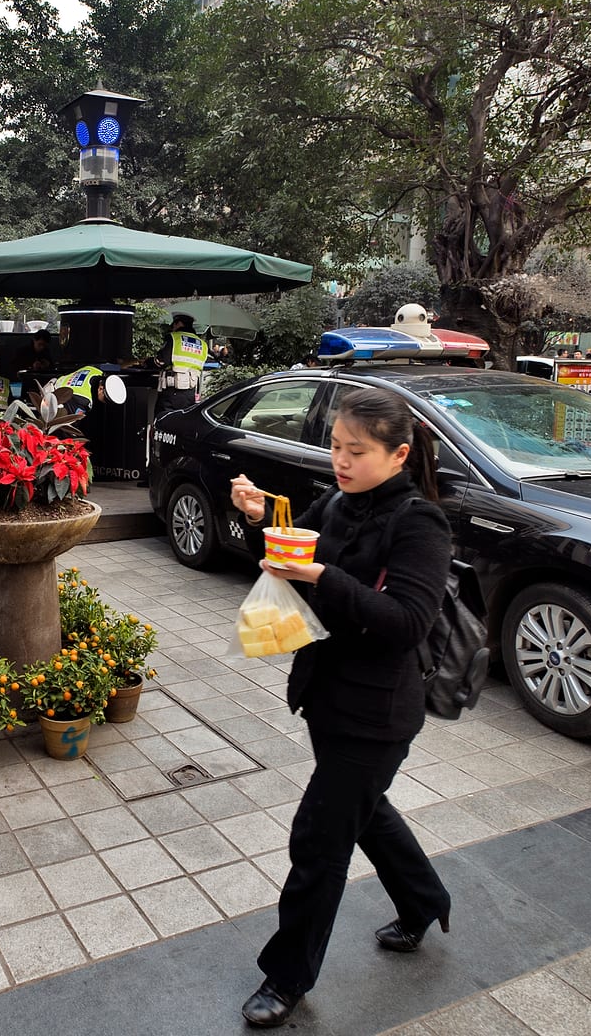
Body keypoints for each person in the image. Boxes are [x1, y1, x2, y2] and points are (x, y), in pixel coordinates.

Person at [228, 387, 452, 1028]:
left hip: (378, 712)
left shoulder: (419, 523)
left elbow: (407, 620)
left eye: (357, 450)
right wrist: (258, 521)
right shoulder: (336, 502)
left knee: (319, 839)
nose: (341, 460)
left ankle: (286, 977)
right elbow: (287, 563)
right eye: (335, 446)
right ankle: (423, 899)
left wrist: (324, 578)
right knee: (367, 810)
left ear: (399, 453)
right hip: (328, 692)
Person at [157, 313, 209, 413]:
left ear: (179, 323)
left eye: (174, 324)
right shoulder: (202, 344)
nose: (172, 327)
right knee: (182, 423)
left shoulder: (173, 338)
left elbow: (161, 361)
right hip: (190, 393)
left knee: (163, 422)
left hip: (171, 391)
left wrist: (147, 362)